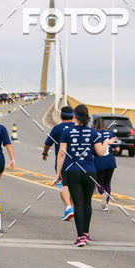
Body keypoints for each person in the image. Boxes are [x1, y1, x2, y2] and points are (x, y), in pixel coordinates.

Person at [53, 104, 117, 246]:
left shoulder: (67, 132)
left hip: (73, 171)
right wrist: (106, 142)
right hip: (90, 171)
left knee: (78, 204)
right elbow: (100, 152)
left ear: (74, 116)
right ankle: (86, 234)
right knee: (87, 203)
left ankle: (80, 236)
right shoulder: (92, 133)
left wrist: (58, 173)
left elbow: (62, 153)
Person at [42, 106, 75, 221]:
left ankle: (69, 207)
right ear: (73, 116)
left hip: (62, 163)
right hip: (77, 164)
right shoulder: (77, 127)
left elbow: (47, 144)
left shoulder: (57, 128)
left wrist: (45, 153)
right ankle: (70, 209)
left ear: (60, 116)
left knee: (62, 186)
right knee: (72, 187)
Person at [94, 116, 118, 212]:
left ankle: (102, 193)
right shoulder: (110, 134)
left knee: (99, 181)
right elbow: (117, 149)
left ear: (95, 126)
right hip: (110, 161)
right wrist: (112, 151)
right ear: (104, 125)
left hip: (99, 160)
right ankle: (106, 205)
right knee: (108, 182)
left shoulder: (94, 134)